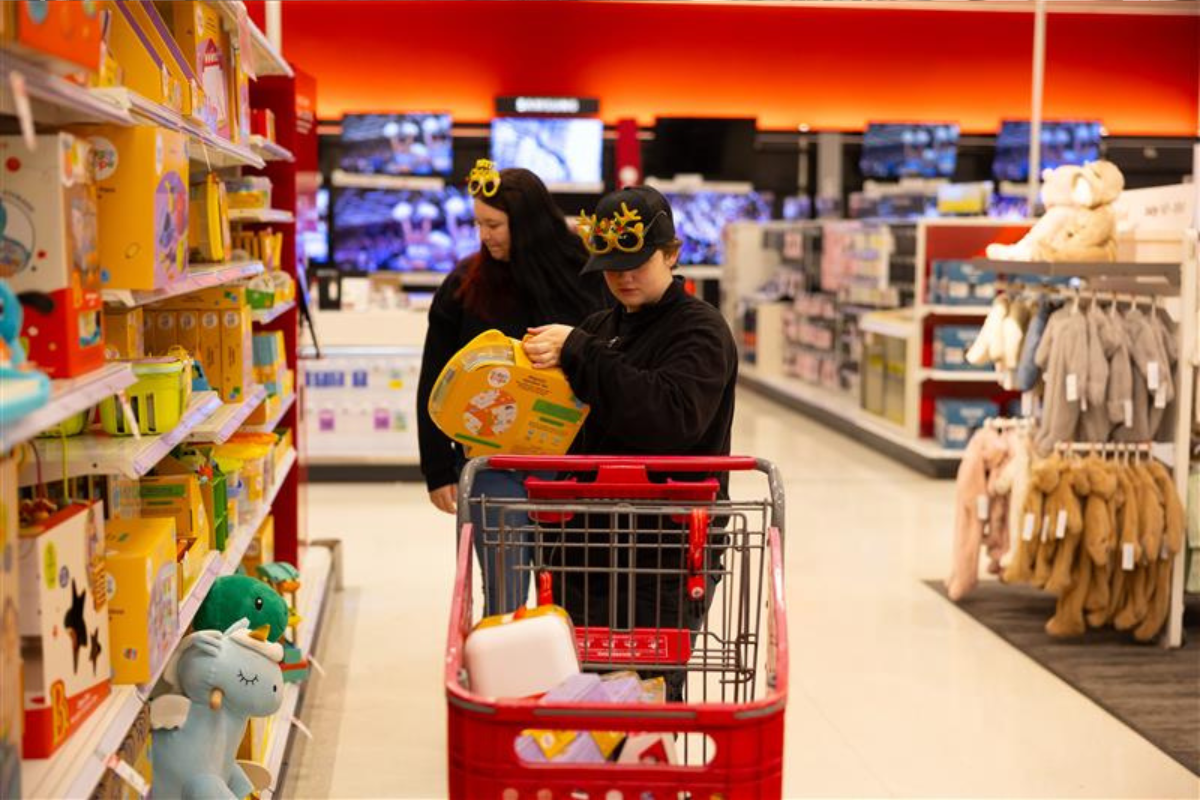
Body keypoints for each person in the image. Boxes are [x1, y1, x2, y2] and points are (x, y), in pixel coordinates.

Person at [521, 185, 738, 699]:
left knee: (646, 694)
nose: (623, 277)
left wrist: (581, 351)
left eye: (636, 263)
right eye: (611, 266)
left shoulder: (701, 331)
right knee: (584, 687)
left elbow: (670, 418)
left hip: (664, 552)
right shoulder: (600, 327)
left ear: (671, 254)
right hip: (586, 546)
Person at [416, 159, 605, 616]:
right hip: (491, 463)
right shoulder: (465, 285)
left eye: (494, 225)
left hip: (570, 462)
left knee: (571, 595)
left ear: (528, 223)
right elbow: (435, 376)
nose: (484, 235)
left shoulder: (586, 276)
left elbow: (609, 363)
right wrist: (437, 469)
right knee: (503, 597)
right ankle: (504, 660)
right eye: (479, 224)